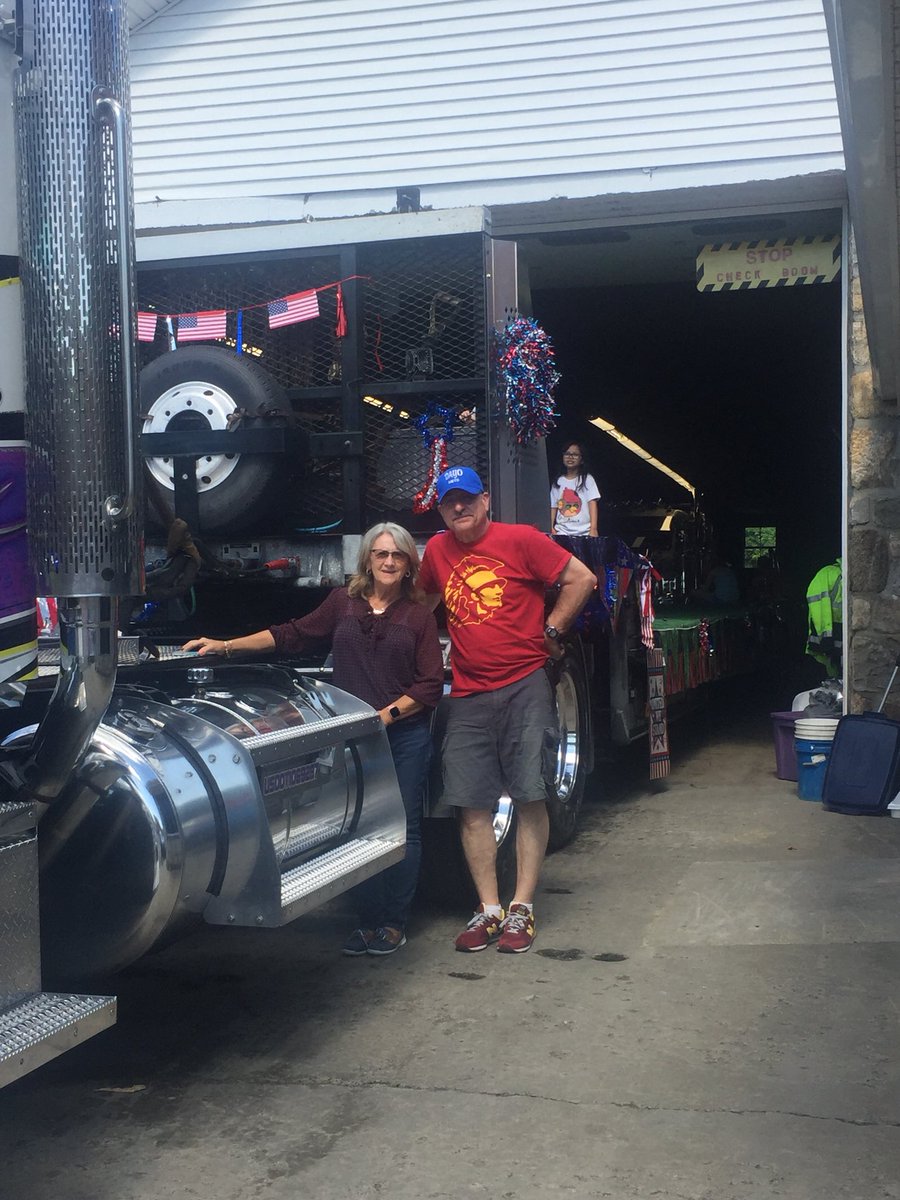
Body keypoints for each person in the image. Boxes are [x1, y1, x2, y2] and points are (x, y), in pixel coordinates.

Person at [182, 523, 443, 957]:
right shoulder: (343, 604)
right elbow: (291, 633)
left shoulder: (417, 616)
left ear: (409, 564)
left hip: (401, 739)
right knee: (357, 825)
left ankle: (393, 923)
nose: (389, 562)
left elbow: (430, 685)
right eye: (381, 554)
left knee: (403, 828)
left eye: (398, 555)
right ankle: (367, 920)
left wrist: (382, 718)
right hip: (354, 739)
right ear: (367, 560)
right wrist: (227, 646)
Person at [420, 466, 597, 954]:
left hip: (524, 686)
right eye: (450, 501)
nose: (460, 508)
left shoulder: (521, 540)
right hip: (469, 694)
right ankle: (489, 910)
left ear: (487, 500)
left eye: (468, 498)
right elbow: (420, 604)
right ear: (441, 509)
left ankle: (521, 908)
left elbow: (582, 578)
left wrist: (554, 631)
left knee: (528, 794)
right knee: (471, 803)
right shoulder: (436, 551)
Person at [550, 441, 600, 536]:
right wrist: (551, 527)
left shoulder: (587, 479)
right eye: (567, 454)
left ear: (582, 459)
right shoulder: (558, 481)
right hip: (561, 532)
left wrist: (593, 529)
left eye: (575, 454)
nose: (570, 457)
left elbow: (592, 504)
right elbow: (553, 506)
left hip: (584, 533)